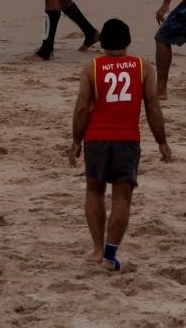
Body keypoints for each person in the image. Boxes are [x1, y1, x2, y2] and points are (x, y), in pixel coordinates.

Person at [69, 19, 171, 272]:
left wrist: (75, 141)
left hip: (96, 139)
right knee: (121, 196)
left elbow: (82, 108)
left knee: (94, 191)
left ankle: (96, 249)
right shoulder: (142, 67)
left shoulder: (92, 68)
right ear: (127, 41)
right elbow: (152, 107)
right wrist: (162, 141)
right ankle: (109, 255)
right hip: (127, 140)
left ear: (102, 42)